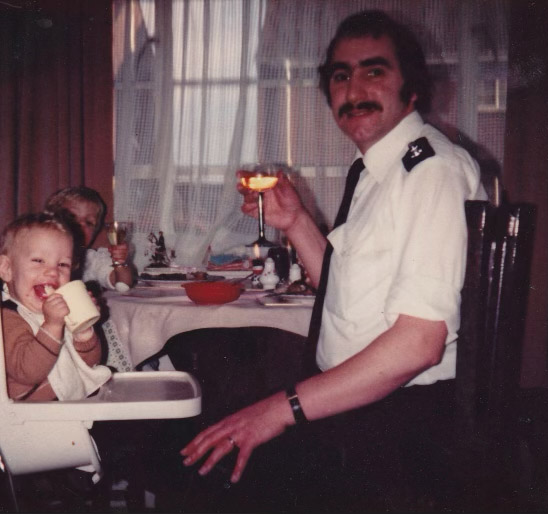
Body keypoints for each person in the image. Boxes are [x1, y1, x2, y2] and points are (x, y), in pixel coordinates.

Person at [179, 10, 487, 510]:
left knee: (201, 466)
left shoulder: (429, 171)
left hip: (397, 433)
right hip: (362, 410)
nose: (353, 88)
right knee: (210, 415)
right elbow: (348, 295)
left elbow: (419, 345)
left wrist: (280, 410)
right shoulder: (376, 171)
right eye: (340, 76)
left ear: (412, 89)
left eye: (374, 71)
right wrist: (297, 222)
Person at [0, 212, 106, 401]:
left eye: (63, 264)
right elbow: (28, 371)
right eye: (38, 261)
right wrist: (53, 325)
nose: (53, 272)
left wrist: (83, 330)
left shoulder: (59, 310)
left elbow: (90, 363)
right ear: (7, 269)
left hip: (66, 409)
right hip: (30, 418)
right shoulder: (7, 316)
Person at [45, 186, 134, 292]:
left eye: (88, 223)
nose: (80, 226)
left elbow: (122, 283)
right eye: (72, 218)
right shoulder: (38, 255)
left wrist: (120, 262)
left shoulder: (91, 260)